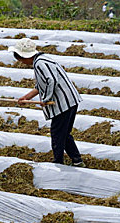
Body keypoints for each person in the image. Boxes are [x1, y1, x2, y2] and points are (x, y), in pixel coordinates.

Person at [9, 38, 85, 167]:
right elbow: (40, 85)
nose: (21, 62)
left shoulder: (40, 64)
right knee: (64, 133)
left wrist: (47, 99)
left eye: (20, 59)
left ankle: (58, 162)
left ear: (24, 56)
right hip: (70, 100)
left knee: (57, 134)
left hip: (63, 103)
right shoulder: (42, 59)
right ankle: (77, 160)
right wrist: (26, 98)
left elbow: (52, 80)